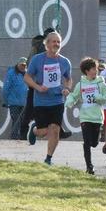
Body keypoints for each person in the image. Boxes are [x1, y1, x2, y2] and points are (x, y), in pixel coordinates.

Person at [24, 32, 73, 165]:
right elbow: (27, 77)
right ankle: (34, 130)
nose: (56, 44)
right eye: (53, 41)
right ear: (47, 44)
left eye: (58, 42)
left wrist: (67, 89)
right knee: (42, 132)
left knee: (55, 129)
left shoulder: (64, 62)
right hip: (41, 101)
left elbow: (68, 79)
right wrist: (37, 87)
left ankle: (48, 158)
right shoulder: (37, 59)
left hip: (57, 101)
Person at [64, 57, 106, 174]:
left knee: (94, 143)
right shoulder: (81, 84)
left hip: (97, 117)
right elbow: (74, 96)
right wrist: (69, 102)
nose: (96, 71)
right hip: (85, 117)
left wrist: (98, 98)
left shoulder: (101, 83)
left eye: (96, 69)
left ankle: (92, 150)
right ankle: (89, 166)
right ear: (87, 71)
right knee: (86, 142)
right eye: (93, 69)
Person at [3, 57, 28, 139]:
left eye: (24, 65)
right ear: (18, 64)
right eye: (21, 65)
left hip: (24, 103)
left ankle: (22, 137)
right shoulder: (11, 73)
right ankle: (14, 137)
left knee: (23, 121)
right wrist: (6, 101)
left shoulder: (26, 74)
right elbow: (6, 88)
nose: (23, 67)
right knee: (16, 120)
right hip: (13, 102)